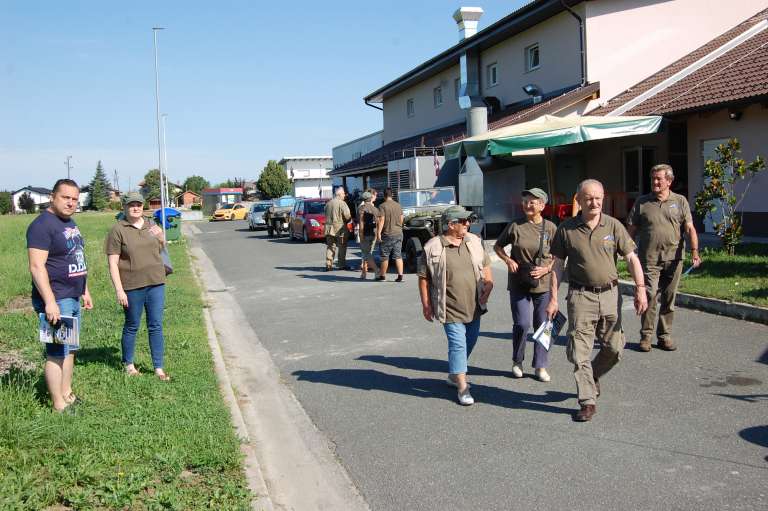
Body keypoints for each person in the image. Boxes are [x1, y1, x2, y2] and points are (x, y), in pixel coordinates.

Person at [546, 179, 648, 422]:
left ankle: (592, 377)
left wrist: (641, 289)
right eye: (589, 198)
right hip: (581, 296)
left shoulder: (613, 226)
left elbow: (632, 259)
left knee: (614, 348)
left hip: (611, 295)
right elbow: (557, 265)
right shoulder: (566, 229)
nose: (594, 202)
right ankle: (587, 401)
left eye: (598, 198)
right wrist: (553, 298)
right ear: (579, 200)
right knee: (579, 350)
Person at [26, 179, 93, 412]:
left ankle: (67, 393)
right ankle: (58, 404)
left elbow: (76, 257)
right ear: (53, 197)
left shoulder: (69, 222)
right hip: (56, 299)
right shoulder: (42, 226)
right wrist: (50, 302)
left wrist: (85, 290)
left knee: (71, 349)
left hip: (72, 295)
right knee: (57, 352)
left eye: (75, 199)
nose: (71, 203)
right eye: (66, 197)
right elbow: (36, 266)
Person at [418, 206, 493, 406]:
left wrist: (489, 284)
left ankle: (454, 373)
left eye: (468, 220)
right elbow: (423, 278)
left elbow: (486, 265)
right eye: (463, 221)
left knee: (471, 340)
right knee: (458, 345)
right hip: (448, 306)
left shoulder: (474, 241)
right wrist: (426, 304)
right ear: (451, 224)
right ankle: (463, 387)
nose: (467, 224)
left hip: (474, 304)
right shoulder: (433, 246)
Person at [627, 164, 702, 352]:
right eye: (653, 178)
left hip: (674, 258)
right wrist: (625, 251)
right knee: (650, 296)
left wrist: (694, 251)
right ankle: (645, 336)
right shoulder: (642, 202)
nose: (655, 182)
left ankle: (664, 336)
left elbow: (690, 228)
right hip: (649, 258)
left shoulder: (680, 201)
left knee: (669, 298)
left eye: (659, 179)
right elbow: (631, 230)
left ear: (669, 181)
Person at [105, 192, 170, 380]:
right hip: (132, 286)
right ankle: (129, 364)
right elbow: (112, 263)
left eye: (139, 204)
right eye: (131, 204)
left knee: (156, 325)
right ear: (124, 207)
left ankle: (158, 367)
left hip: (156, 282)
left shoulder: (151, 225)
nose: (136, 207)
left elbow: (162, 249)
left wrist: (161, 237)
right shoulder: (118, 230)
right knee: (132, 325)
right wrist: (119, 290)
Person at [494, 188, 557, 382]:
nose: (527, 205)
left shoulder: (551, 228)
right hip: (519, 281)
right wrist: (507, 260)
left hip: (543, 283)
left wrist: (547, 269)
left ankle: (541, 365)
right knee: (522, 323)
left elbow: (559, 256)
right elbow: (497, 246)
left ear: (542, 205)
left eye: (532, 202)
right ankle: (517, 360)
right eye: (525, 201)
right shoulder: (515, 225)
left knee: (544, 325)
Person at [376, 187, 404, 282]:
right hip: (398, 233)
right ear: (392, 195)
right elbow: (401, 219)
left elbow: (382, 220)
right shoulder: (398, 205)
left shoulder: (382, 206)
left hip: (387, 234)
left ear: (384, 195)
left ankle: (382, 276)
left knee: (385, 256)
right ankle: (400, 276)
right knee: (398, 255)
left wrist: (378, 233)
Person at [324, 187, 352, 271]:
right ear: (339, 194)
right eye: (343, 194)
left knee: (330, 246)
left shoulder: (328, 203)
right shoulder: (342, 203)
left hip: (329, 227)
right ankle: (341, 264)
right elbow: (347, 216)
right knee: (342, 246)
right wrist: (349, 220)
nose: (344, 195)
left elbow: (325, 214)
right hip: (340, 228)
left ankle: (329, 264)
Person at [357, 189, 380, 279]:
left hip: (365, 233)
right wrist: (378, 234)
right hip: (373, 233)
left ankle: (377, 270)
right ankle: (364, 273)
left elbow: (361, 223)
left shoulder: (362, 209)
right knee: (367, 253)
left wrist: (361, 234)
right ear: (370, 198)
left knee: (366, 253)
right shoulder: (375, 209)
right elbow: (379, 222)